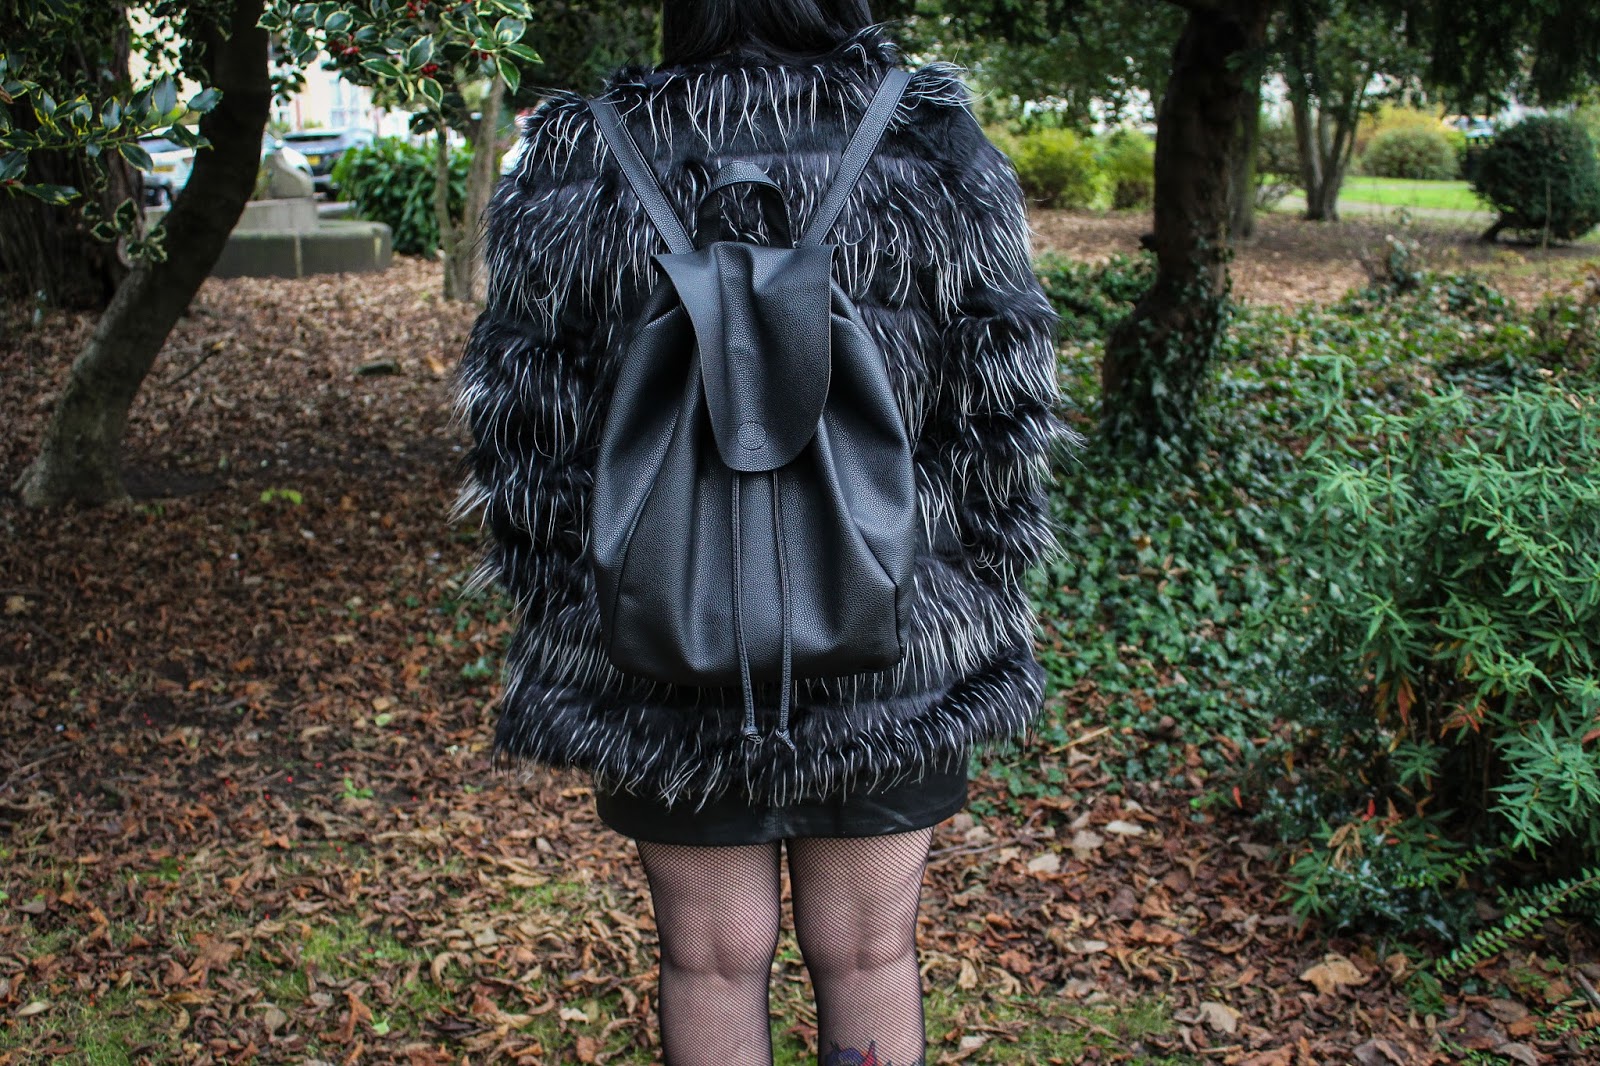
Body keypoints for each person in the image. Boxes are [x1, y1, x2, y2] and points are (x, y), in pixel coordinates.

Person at [451, 1, 1073, 1063]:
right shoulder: (928, 140)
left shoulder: (580, 154)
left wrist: (584, 608)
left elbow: (523, 436)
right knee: (870, 953)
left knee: (708, 958)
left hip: (660, 643)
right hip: (894, 640)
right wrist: (965, 587)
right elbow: (1002, 417)